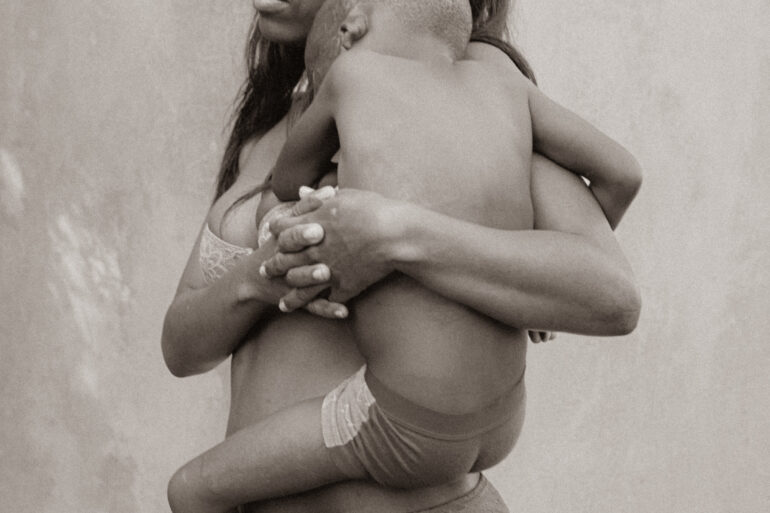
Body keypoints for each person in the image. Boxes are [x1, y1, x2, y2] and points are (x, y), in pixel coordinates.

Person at [162, 0, 642, 511]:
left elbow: (611, 293)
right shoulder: (273, 121)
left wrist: (391, 233)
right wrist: (261, 278)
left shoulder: (471, 81)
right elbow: (181, 350)